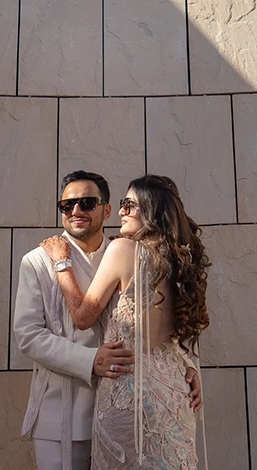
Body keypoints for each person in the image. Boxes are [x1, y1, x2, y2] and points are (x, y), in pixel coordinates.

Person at [40, 174, 211, 470]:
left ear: (151, 210)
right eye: (122, 204)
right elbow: (169, 337)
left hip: (129, 397)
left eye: (129, 205)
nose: (121, 211)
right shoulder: (179, 264)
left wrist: (61, 262)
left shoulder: (123, 250)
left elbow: (83, 317)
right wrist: (190, 367)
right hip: (175, 397)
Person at [15, 170, 135, 470]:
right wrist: (90, 360)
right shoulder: (38, 261)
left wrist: (184, 366)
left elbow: (156, 319)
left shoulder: (127, 254)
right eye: (67, 205)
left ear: (107, 209)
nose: (76, 211)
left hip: (125, 410)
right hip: (61, 416)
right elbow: (28, 335)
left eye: (87, 202)